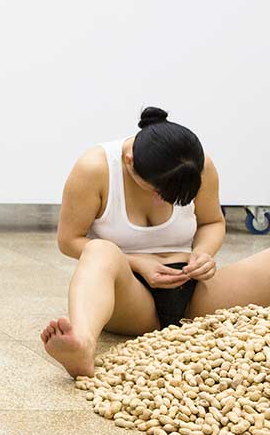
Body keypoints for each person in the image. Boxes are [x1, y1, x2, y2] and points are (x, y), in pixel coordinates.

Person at [43, 106, 270, 377]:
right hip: (130, 295)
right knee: (99, 249)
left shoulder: (196, 167)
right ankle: (83, 345)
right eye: (159, 193)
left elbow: (212, 222)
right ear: (129, 162)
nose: (163, 201)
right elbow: (69, 241)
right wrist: (138, 263)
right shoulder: (94, 168)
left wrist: (203, 254)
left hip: (193, 289)